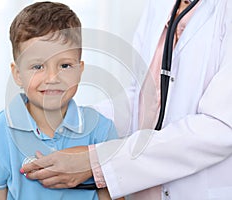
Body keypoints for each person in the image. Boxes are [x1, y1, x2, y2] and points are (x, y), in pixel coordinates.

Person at [21, 0, 232, 199]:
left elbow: (222, 127)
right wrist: (75, 122)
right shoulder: (160, 4)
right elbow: (141, 99)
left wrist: (97, 161)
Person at [0, 2, 122, 200]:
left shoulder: (101, 130)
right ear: (17, 74)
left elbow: (111, 194)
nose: (52, 77)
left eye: (65, 65)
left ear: (80, 69)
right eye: (37, 66)